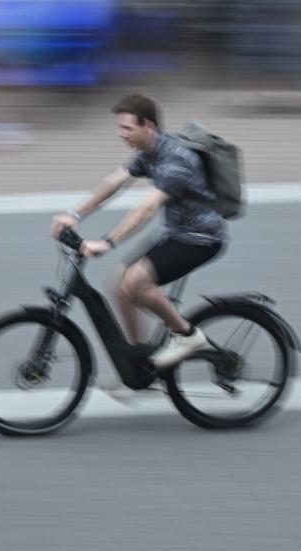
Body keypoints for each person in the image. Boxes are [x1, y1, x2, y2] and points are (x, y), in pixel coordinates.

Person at [50, 93, 227, 379]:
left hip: (201, 238)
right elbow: (114, 182)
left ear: (149, 126)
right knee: (118, 283)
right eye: (120, 128)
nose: (121, 134)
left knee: (136, 282)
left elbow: (146, 208)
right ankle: (140, 363)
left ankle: (187, 335)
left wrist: (108, 242)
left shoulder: (177, 160)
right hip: (176, 234)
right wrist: (75, 214)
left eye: (127, 128)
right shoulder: (150, 152)